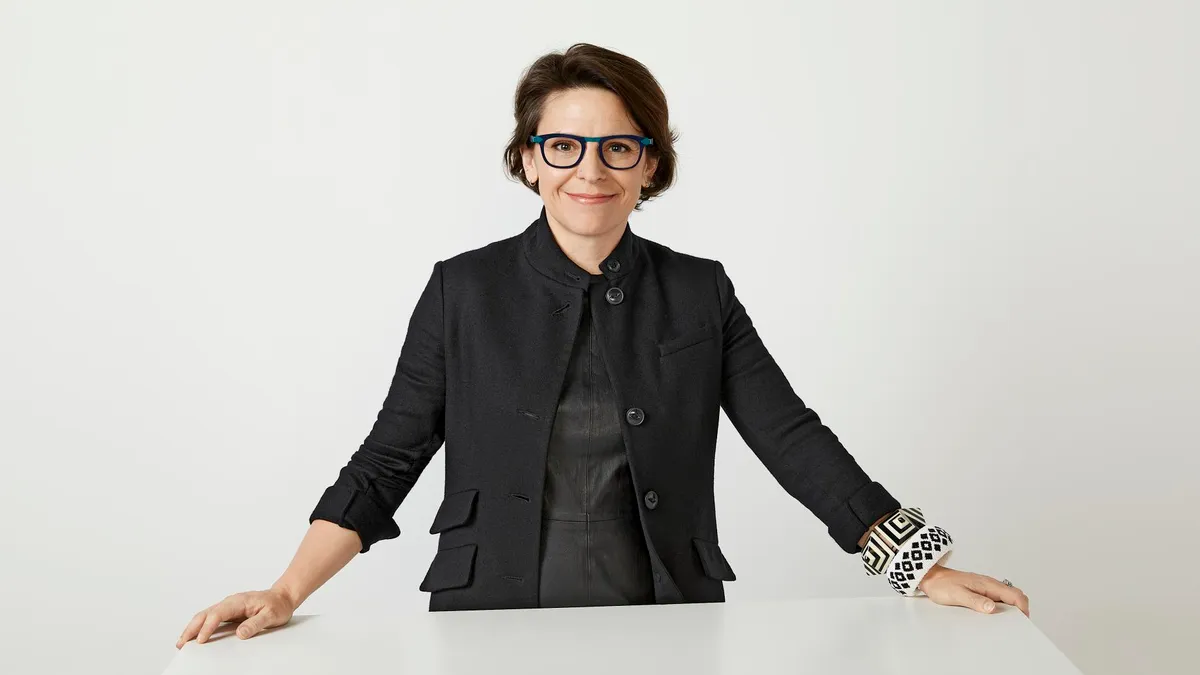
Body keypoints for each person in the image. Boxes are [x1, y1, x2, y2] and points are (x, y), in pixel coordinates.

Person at [177, 43, 1030, 649]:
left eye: (619, 146)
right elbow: (389, 456)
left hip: (667, 611)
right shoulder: (462, 290)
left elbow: (793, 437)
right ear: (529, 160)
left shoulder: (700, 291)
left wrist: (917, 563)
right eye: (565, 146)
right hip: (492, 615)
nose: (592, 169)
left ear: (650, 165)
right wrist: (285, 590)